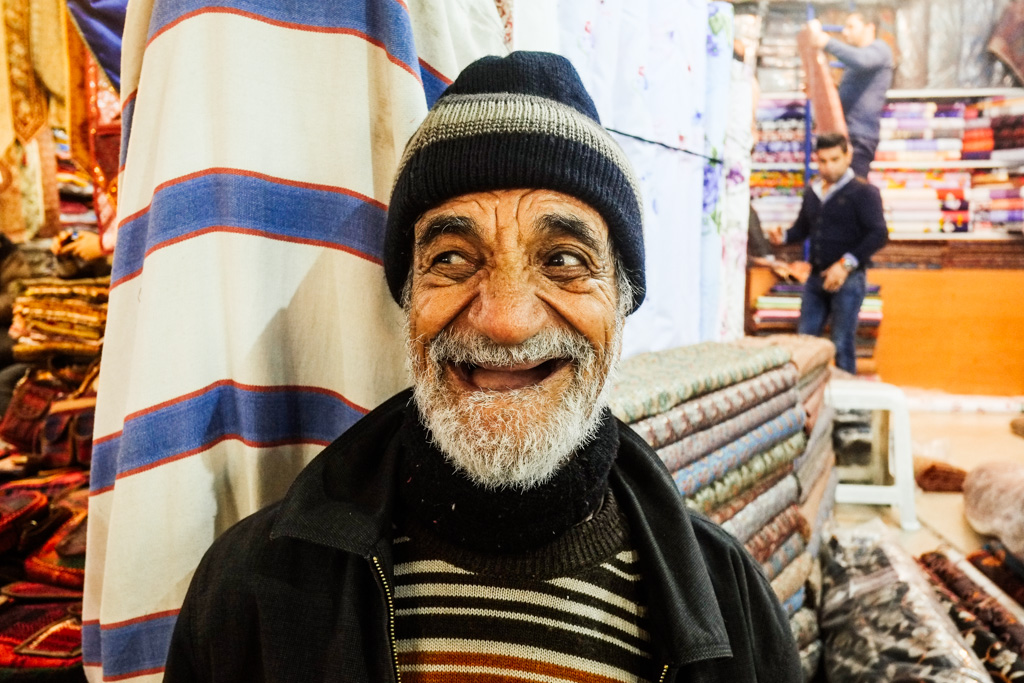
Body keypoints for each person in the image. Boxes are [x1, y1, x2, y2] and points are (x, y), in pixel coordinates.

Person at [163, 51, 801, 683]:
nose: (506, 320)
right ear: (409, 299)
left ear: (624, 300)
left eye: (563, 261)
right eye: (451, 259)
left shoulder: (728, 605)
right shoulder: (250, 589)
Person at [769, 132, 888, 374]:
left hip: (849, 279)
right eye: (823, 161)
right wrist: (782, 237)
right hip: (816, 278)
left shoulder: (864, 193)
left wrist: (845, 264)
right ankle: (808, 402)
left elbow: (879, 234)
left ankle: (848, 408)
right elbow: (803, 229)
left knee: (842, 343)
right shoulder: (813, 192)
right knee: (805, 342)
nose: (829, 166)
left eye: (834, 159)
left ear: (848, 156)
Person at [807, 10, 894, 178]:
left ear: (870, 27)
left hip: (860, 136)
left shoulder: (879, 50)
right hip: (845, 134)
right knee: (838, 190)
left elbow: (862, 60)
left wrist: (827, 42)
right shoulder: (857, 60)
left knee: (852, 190)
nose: (845, 32)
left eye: (851, 27)